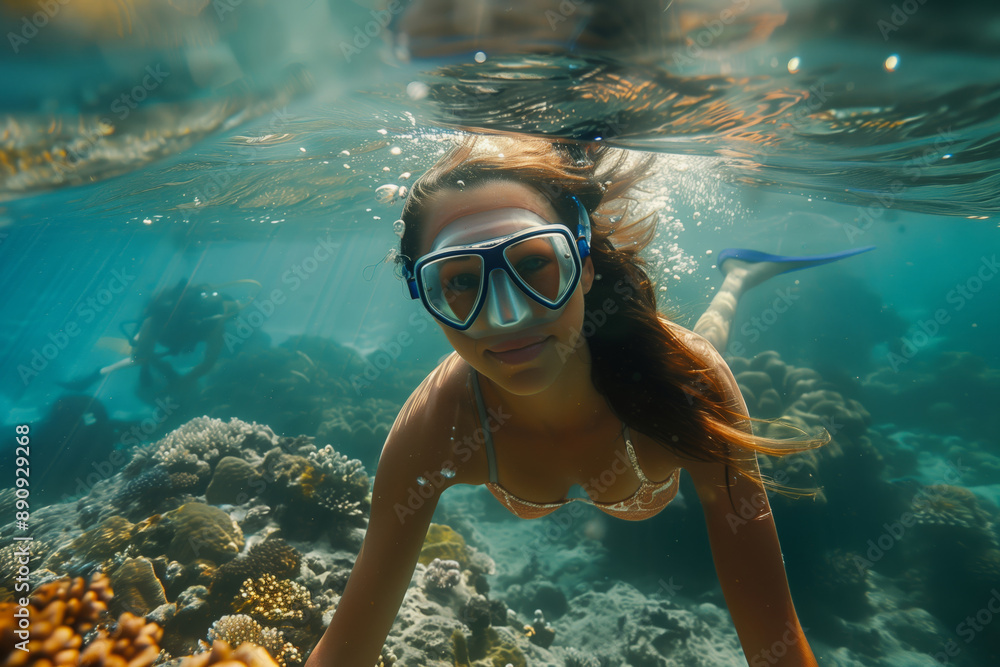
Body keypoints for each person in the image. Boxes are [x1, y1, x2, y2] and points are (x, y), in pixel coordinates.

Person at [307, 135, 869, 666]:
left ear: (584, 266)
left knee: (703, 345)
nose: (507, 317)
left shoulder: (690, 379)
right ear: (424, 297)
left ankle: (738, 277)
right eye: (458, 281)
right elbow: (346, 648)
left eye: (533, 264)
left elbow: (776, 641)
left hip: (660, 379)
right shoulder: (434, 428)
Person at [64, 279, 257, 396]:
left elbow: (142, 354)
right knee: (140, 356)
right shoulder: (212, 325)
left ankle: (99, 373)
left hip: (159, 326)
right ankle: (100, 372)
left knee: (140, 356)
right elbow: (208, 363)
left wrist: (174, 378)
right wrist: (177, 379)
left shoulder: (208, 321)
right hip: (160, 326)